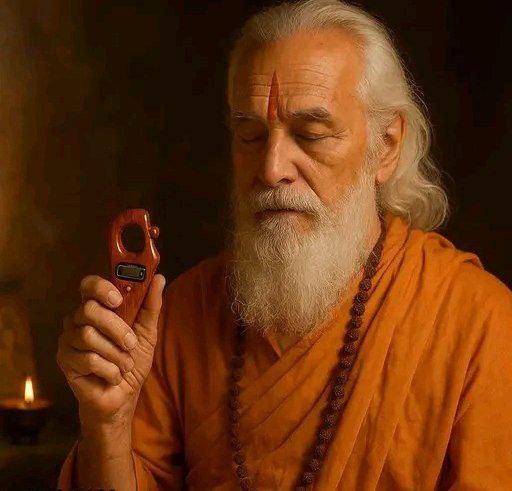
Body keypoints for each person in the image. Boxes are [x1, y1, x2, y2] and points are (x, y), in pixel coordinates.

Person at [56, 0, 512, 489]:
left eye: (311, 135)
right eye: (251, 136)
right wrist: (108, 423)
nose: (272, 169)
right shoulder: (182, 312)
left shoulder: (476, 321)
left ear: (386, 146)